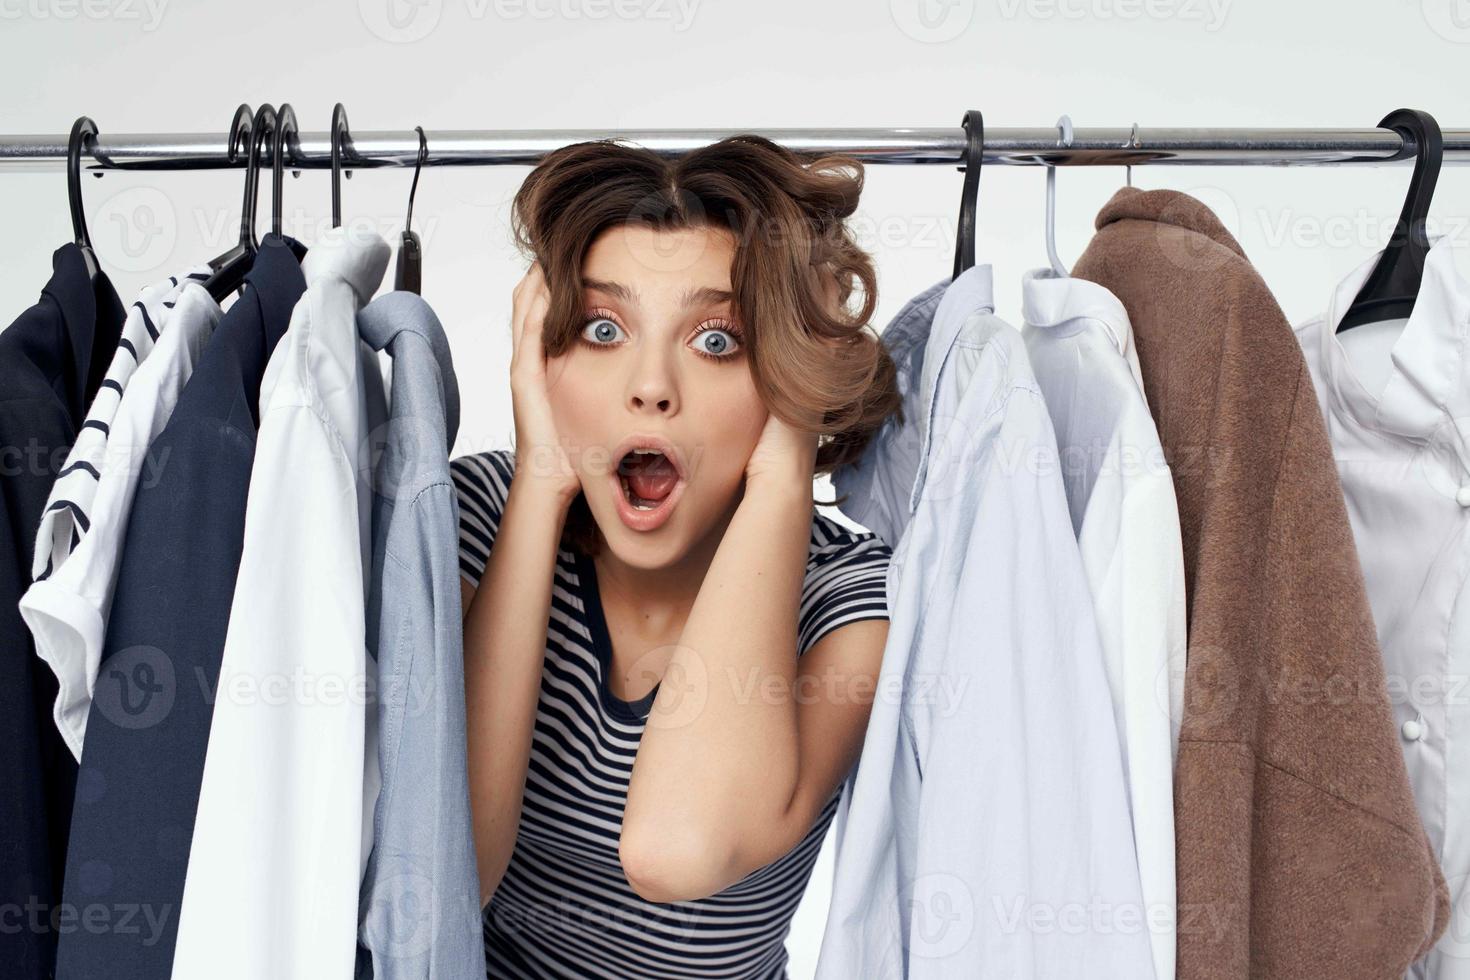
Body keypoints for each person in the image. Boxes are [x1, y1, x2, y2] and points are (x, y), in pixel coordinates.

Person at [452, 134, 901, 978]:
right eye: (602, 327)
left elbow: (676, 850)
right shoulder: (476, 520)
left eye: (718, 341)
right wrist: (542, 481)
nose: (650, 384)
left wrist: (784, 466)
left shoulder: (849, 604)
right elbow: (445, 878)